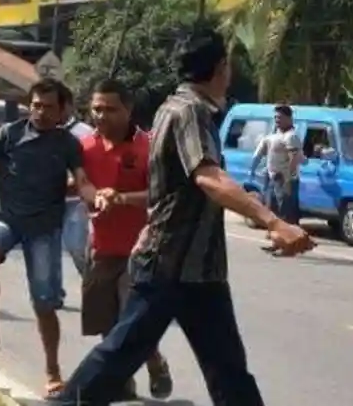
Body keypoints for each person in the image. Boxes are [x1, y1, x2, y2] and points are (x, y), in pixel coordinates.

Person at [51, 26, 315, 405]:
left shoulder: (178, 107)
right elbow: (207, 176)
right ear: (221, 67)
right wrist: (274, 221)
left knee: (229, 373)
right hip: (170, 265)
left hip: (201, 270)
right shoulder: (189, 111)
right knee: (118, 357)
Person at [0, 77, 101, 398]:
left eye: (49, 107)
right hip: (8, 221)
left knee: (43, 304)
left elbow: (81, 179)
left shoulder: (67, 144)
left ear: (62, 110)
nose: (41, 112)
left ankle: (52, 371)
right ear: (29, 105)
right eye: (36, 105)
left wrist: (92, 195)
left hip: (44, 229)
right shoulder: (8, 133)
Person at [79, 79, 173, 401]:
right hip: (101, 248)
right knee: (106, 317)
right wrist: (97, 197)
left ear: (128, 109)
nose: (101, 116)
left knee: (130, 318)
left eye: (110, 109)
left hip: (142, 249)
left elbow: (160, 195)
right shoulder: (86, 147)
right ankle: (122, 378)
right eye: (96, 109)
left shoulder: (149, 147)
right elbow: (82, 184)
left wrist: (121, 198)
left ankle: (155, 361)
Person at [249, 104, 303, 253]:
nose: (277, 120)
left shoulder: (291, 136)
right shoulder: (273, 136)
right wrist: (253, 171)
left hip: (285, 180)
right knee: (273, 212)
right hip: (273, 178)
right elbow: (259, 155)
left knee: (286, 214)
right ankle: (277, 242)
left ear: (288, 118)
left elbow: (295, 159)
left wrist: (289, 180)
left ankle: (288, 244)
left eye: (280, 117)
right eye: (275, 117)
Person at [60, 83, 95, 281]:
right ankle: (50, 294)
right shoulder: (42, 132)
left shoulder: (85, 133)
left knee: (76, 247)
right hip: (47, 202)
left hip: (76, 201)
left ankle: (91, 283)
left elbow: (90, 170)